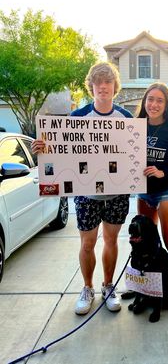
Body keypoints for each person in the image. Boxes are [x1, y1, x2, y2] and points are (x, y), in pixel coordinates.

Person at [32, 62, 132, 315]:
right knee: (87, 243)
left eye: (107, 82)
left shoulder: (126, 119)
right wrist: (44, 149)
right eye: (98, 83)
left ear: (114, 87)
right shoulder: (77, 118)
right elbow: (63, 151)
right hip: (87, 194)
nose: (103, 87)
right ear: (92, 87)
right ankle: (86, 288)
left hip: (116, 193)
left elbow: (134, 154)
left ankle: (108, 286)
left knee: (111, 240)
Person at [122, 82, 168, 312]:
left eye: (159, 100)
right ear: (144, 102)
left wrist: (165, 171)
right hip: (143, 192)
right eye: (150, 99)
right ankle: (145, 287)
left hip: (166, 193)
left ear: (166, 105)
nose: (153, 104)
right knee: (144, 244)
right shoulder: (135, 127)